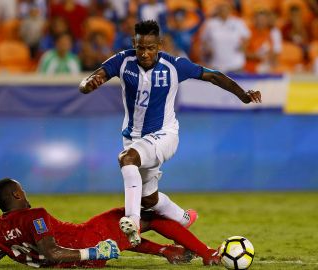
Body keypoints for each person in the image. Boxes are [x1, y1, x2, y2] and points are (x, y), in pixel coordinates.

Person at [78, 20, 262, 247]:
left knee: (127, 160)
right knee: (149, 198)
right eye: (140, 48)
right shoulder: (123, 60)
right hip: (133, 137)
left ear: (159, 45)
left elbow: (213, 75)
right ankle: (183, 217)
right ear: (134, 44)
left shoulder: (175, 66)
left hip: (165, 134)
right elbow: (91, 78)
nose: (145, 53)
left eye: (150, 48)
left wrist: (243, 95)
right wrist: (88, 84)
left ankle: (133, 222)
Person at [0, 178, 221, 268]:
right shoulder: (34, 214)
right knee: (145, 216)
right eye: (22, 190)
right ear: (17, 195)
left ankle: (167, 251)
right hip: (86, 243)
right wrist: (94, 251)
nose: (25, 194)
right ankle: (207, 253)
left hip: (74, 263)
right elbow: (51, 251)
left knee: (123, 231)